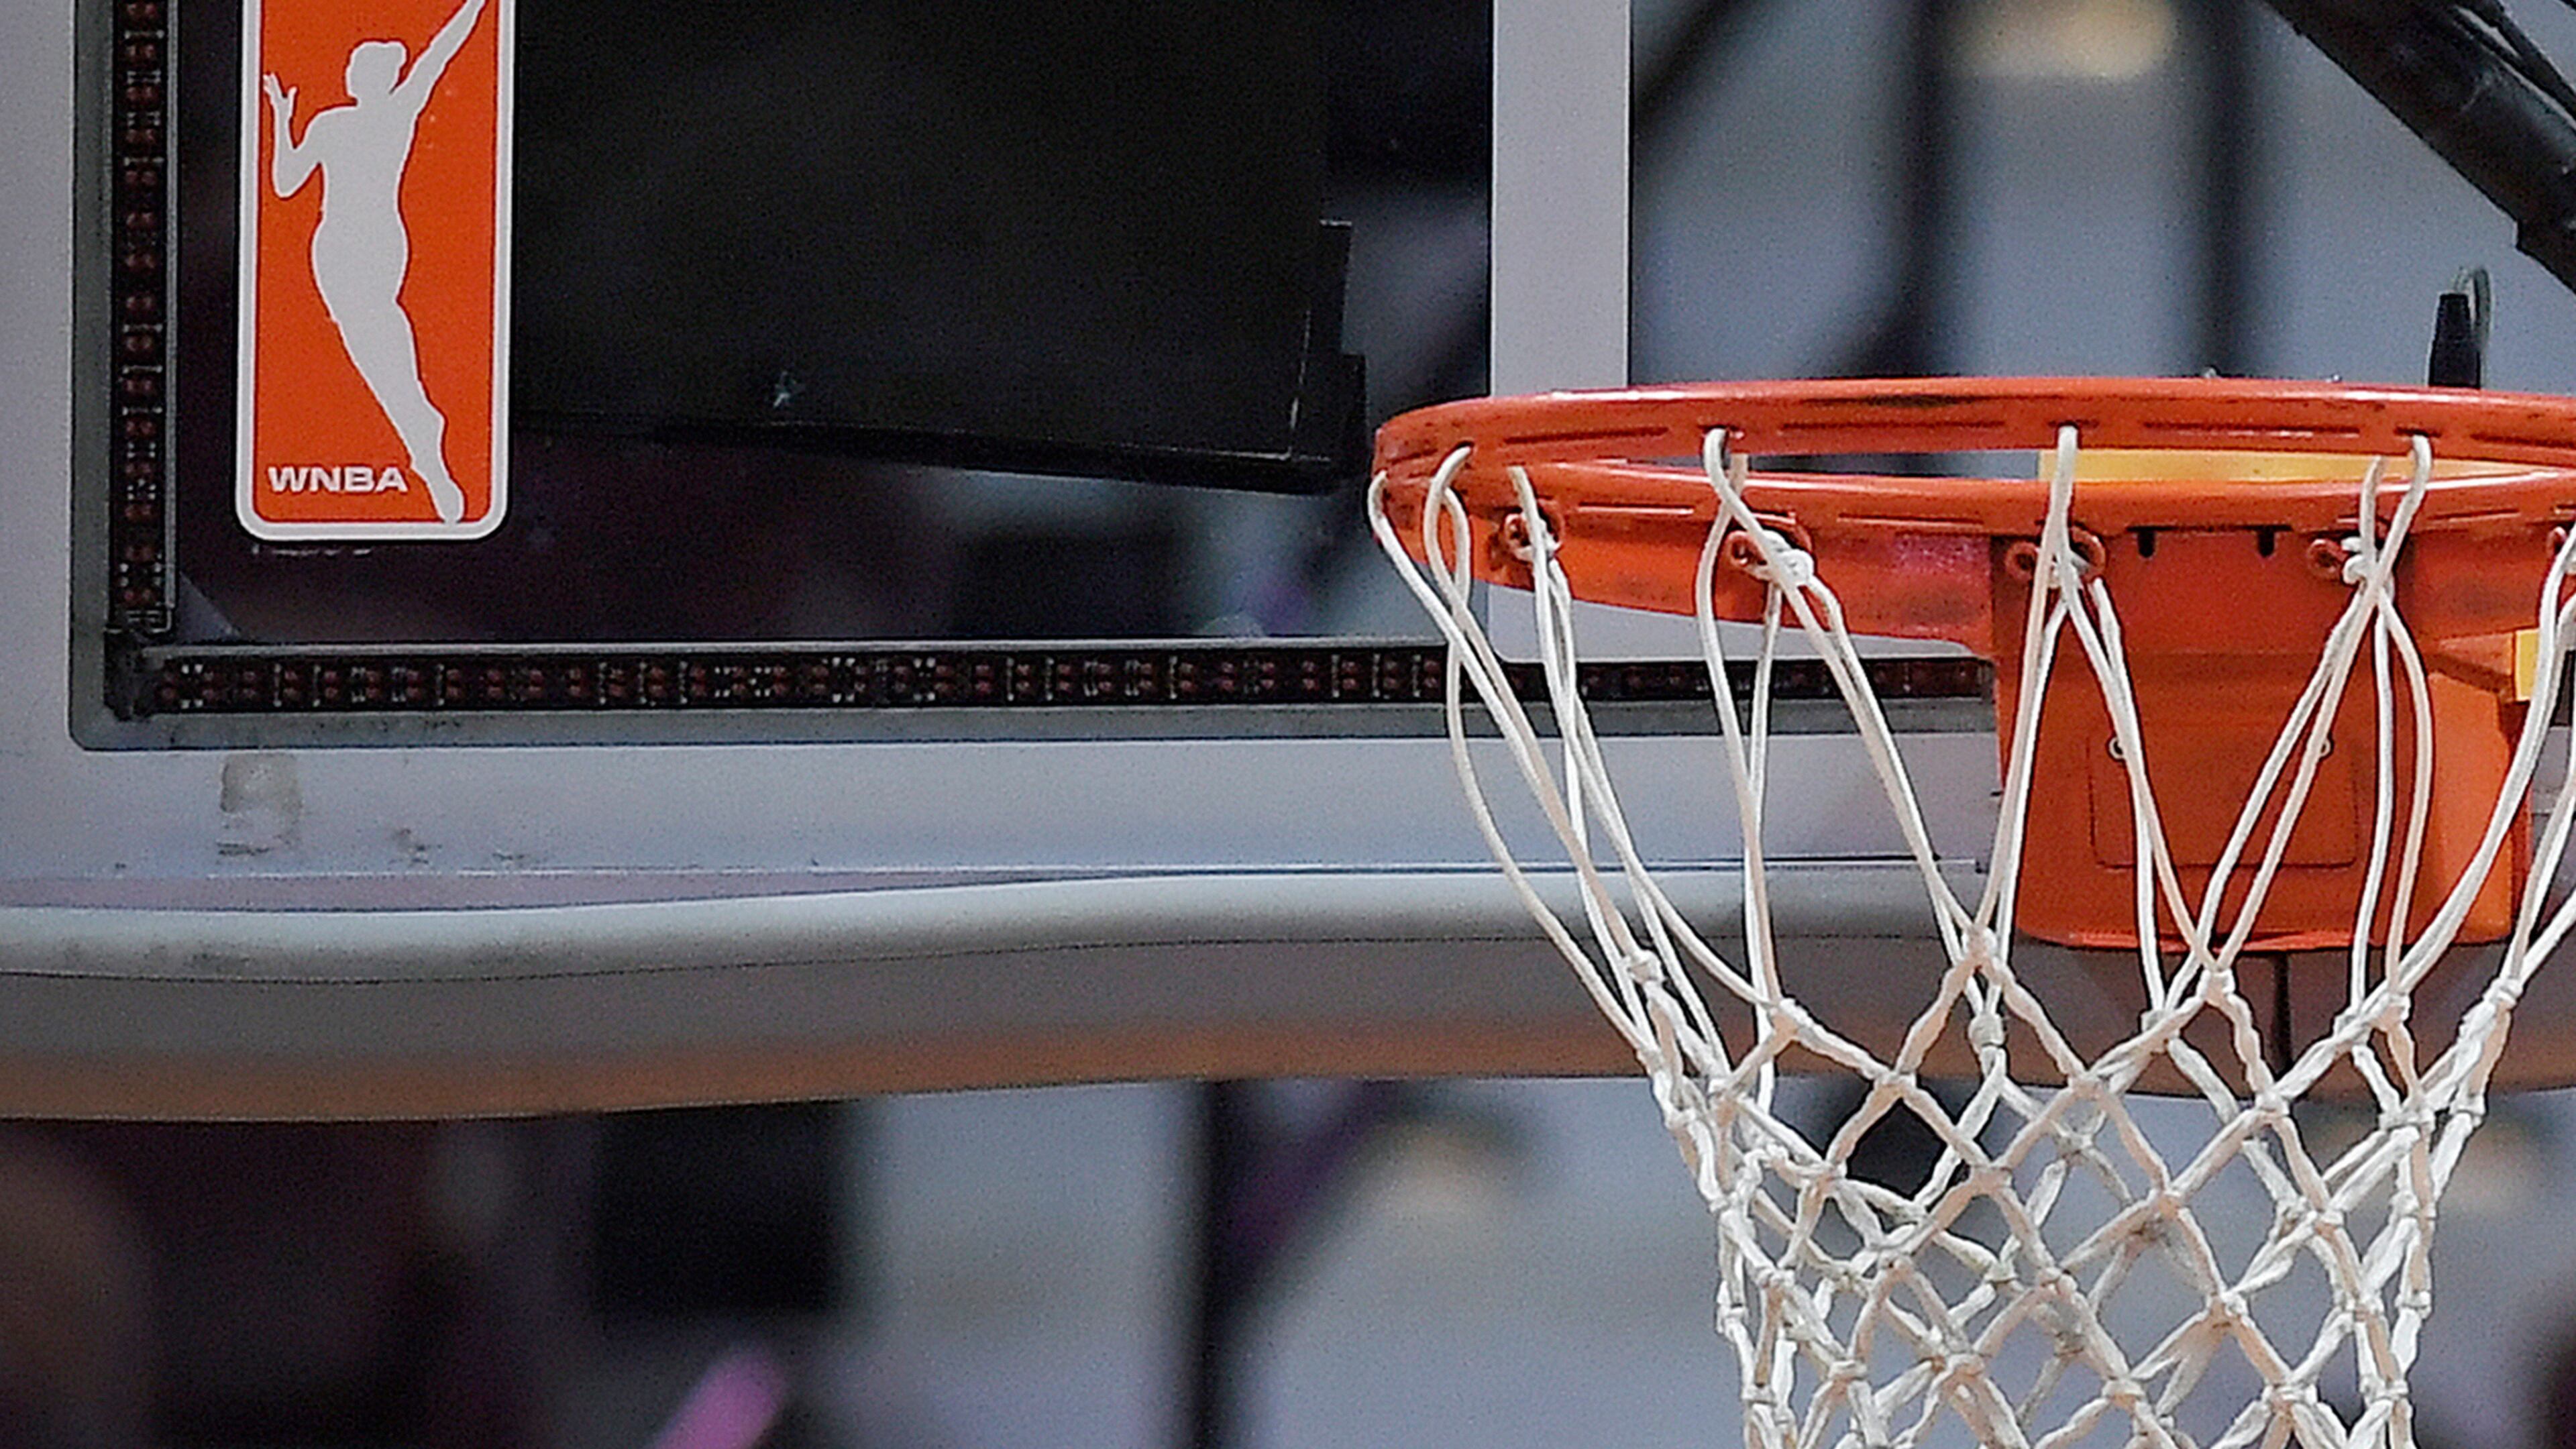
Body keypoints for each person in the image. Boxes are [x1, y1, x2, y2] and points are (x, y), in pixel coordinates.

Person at [263, 0, 489, 526]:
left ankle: (421, 433)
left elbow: (439, 54)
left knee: (377, 329)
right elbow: (284, 184)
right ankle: (420, 427)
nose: (352, 73)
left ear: (379, 78)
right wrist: (281, 118)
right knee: (369, 337)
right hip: (335, 243)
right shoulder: (334, 121)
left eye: (363, 67)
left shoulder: (396, 110)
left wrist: (475, 6)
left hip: (370, 240)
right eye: (354, 67)